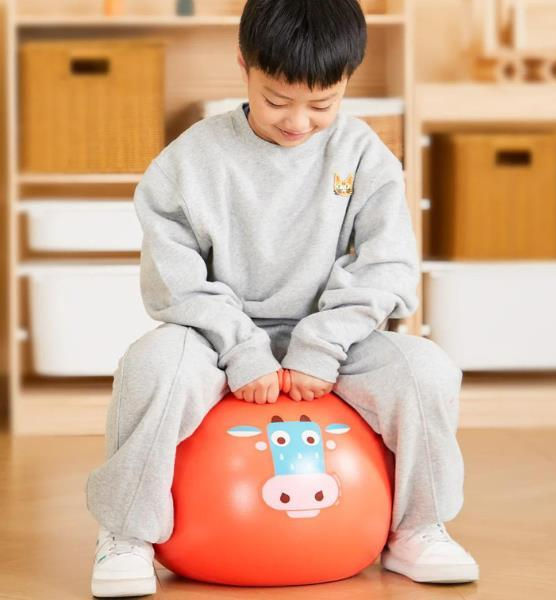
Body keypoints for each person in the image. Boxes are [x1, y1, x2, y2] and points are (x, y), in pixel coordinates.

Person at [87, 0, 479, 596]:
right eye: (277, 100)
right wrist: (241, 349)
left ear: (347, 80)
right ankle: (126, 533)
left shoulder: (365, 155)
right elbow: (174, 280)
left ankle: (418, 527)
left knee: (426, 370)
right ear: (244, 65)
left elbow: (387, 266)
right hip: (213, 336)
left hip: (336, 337)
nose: (298, 121)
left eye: (322, 104)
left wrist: (320, 346)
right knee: (151, 366)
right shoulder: (188, 161)